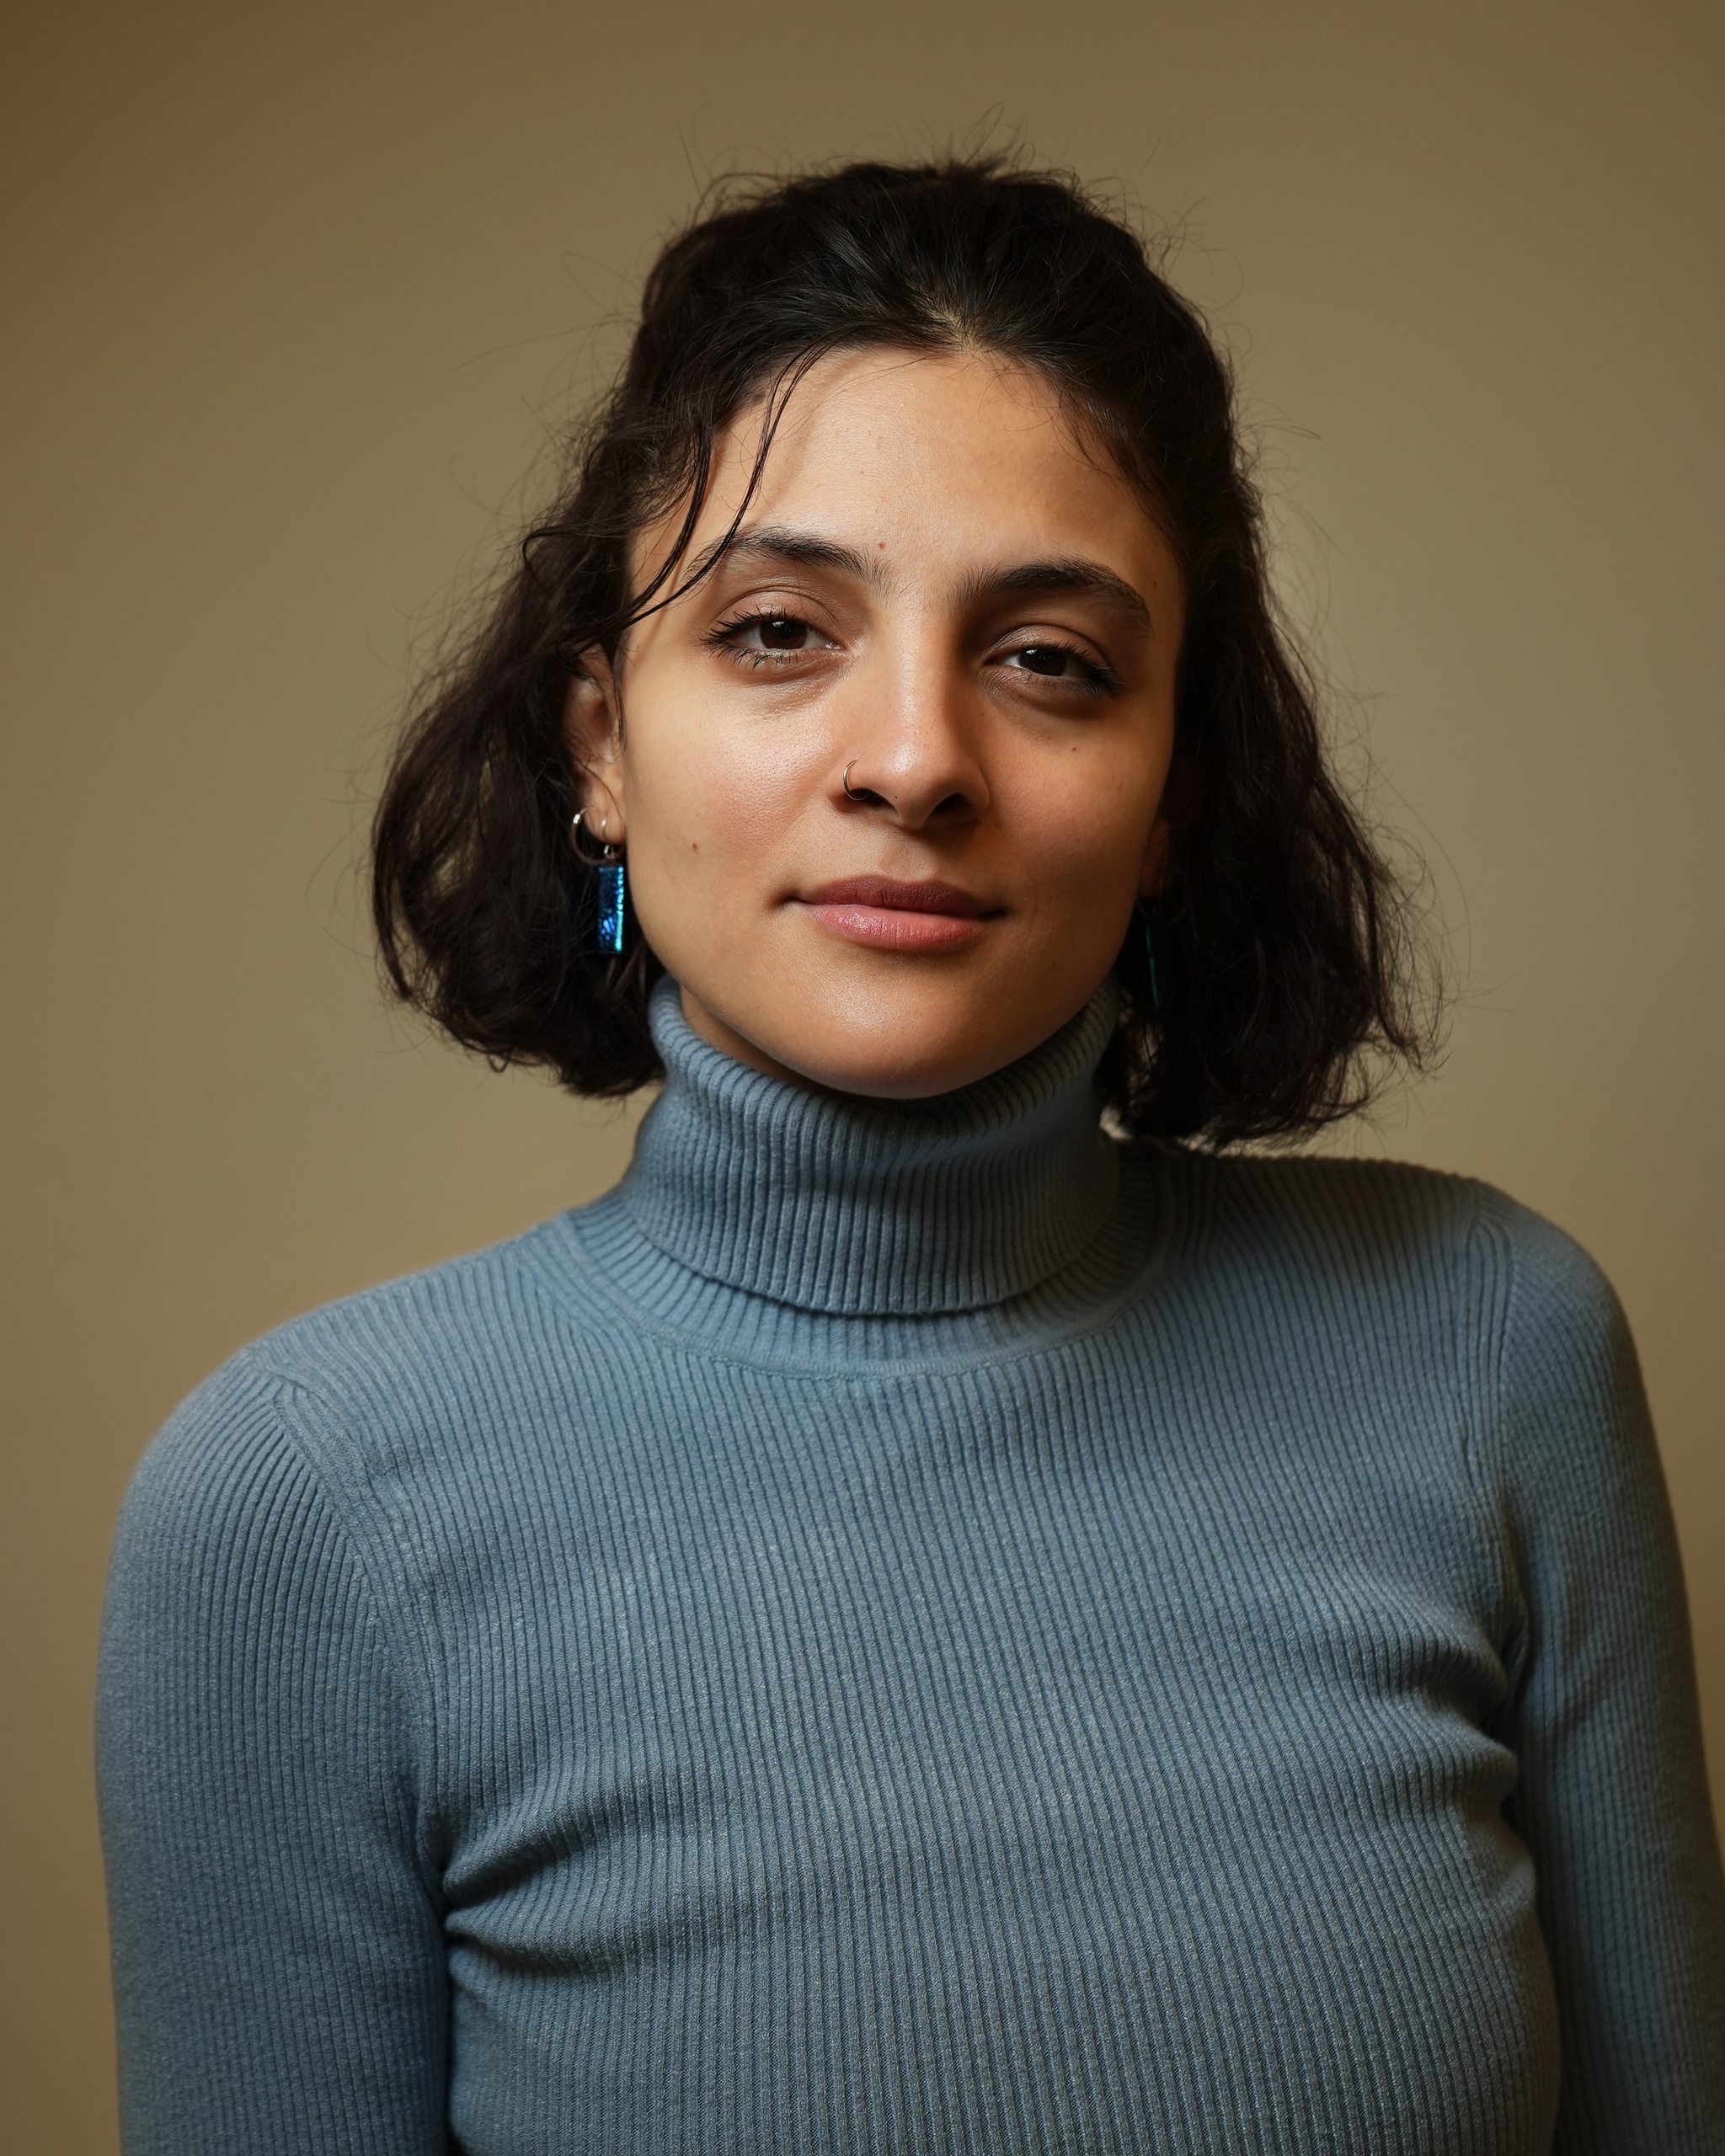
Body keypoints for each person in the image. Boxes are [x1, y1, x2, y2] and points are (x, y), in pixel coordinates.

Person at [97, 157, 1723, 2154]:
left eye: (1048, 657)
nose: (917, 757)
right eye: (780, 629)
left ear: (1176, 795)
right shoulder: (297, 1513)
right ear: (599, 741)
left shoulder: (1491, 1346)